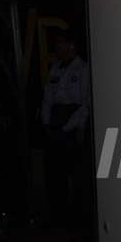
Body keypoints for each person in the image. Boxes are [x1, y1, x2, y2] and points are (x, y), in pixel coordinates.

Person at [41, 28, 91, 227]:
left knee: (76, 175)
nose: (57, 47)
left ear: (71, 45)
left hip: (72, 123)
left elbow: (85, 103)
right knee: (55, 174)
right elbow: (47, 98)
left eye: (61, 43)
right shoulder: (55, 68)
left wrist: (72, 127)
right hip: (55, 121)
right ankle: (57, 216)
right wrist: (46, 123)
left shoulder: (83, 69)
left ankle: (77, 219)